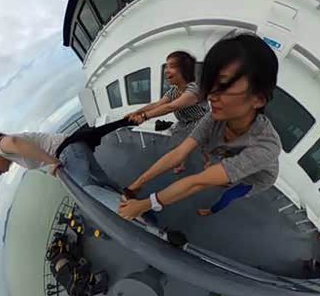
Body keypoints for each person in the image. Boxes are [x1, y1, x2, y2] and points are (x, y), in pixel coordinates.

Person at [118, 32, 281, 222]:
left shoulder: (265, 147)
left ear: (258, 99)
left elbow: (197, 183)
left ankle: (211, 211)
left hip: (256, 178)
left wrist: (143, 205)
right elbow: (178, 153)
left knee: (229, 193)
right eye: (211, 83)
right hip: (228, 153)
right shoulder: (215, 117)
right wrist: (135, 186)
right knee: (214, 169)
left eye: (224, 85)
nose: (211, 95)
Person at [0, 118, 132, 189]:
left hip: (67, 151)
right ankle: (135, 206)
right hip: (74, 147)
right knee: (104, 181)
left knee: (88, 190)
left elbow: (14, 142)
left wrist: (53, 162)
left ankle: (134, 214)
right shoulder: (12, 156)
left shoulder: (1, 146)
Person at [127, 51, 208, 138]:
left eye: (172, 67)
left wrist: (144, 116)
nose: (166, 71)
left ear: (185, 70)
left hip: (202, 129)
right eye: (166, 67)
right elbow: (158, 104)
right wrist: (136, 112)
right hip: (184, 128)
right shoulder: (174, 90)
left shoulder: (194, 89)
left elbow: (171, 107)